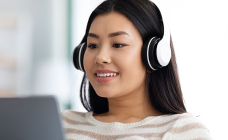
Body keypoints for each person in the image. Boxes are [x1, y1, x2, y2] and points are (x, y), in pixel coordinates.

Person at [62, 0, 212, 139]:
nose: (101, 57)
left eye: (118, 44)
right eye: (92, 45)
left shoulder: (183, 131)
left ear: (154, 55)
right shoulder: (63, 123)